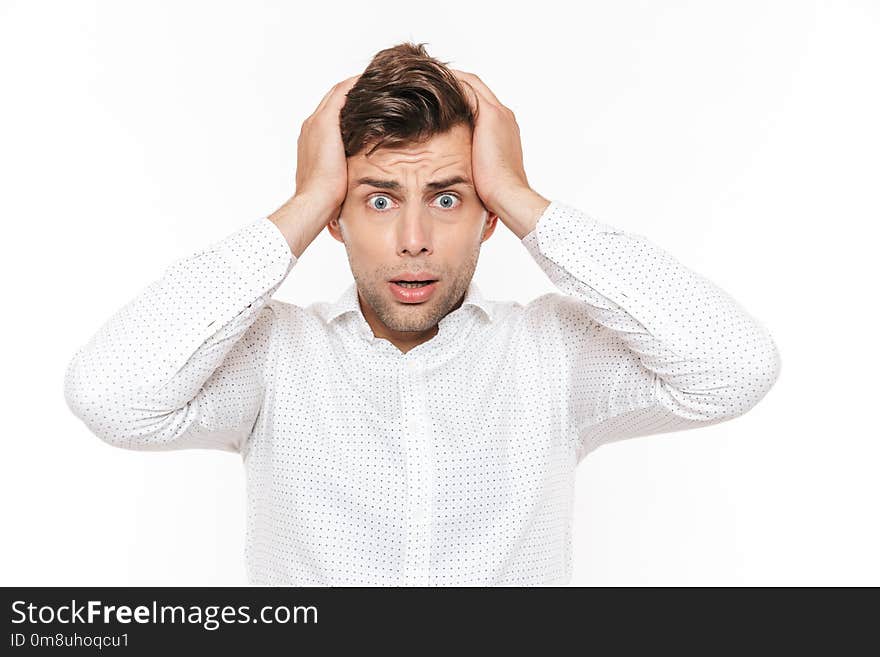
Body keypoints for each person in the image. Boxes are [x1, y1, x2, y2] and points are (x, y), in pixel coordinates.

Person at [64, 42, 781, 586]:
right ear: (337, 220)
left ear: (487, 216)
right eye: (378, 199)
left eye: (447, 197)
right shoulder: (276, 355)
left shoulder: (551, 351)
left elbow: (734, 368)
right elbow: (111, 395)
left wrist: (523, 197)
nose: (413, 239)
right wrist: (306, 203)